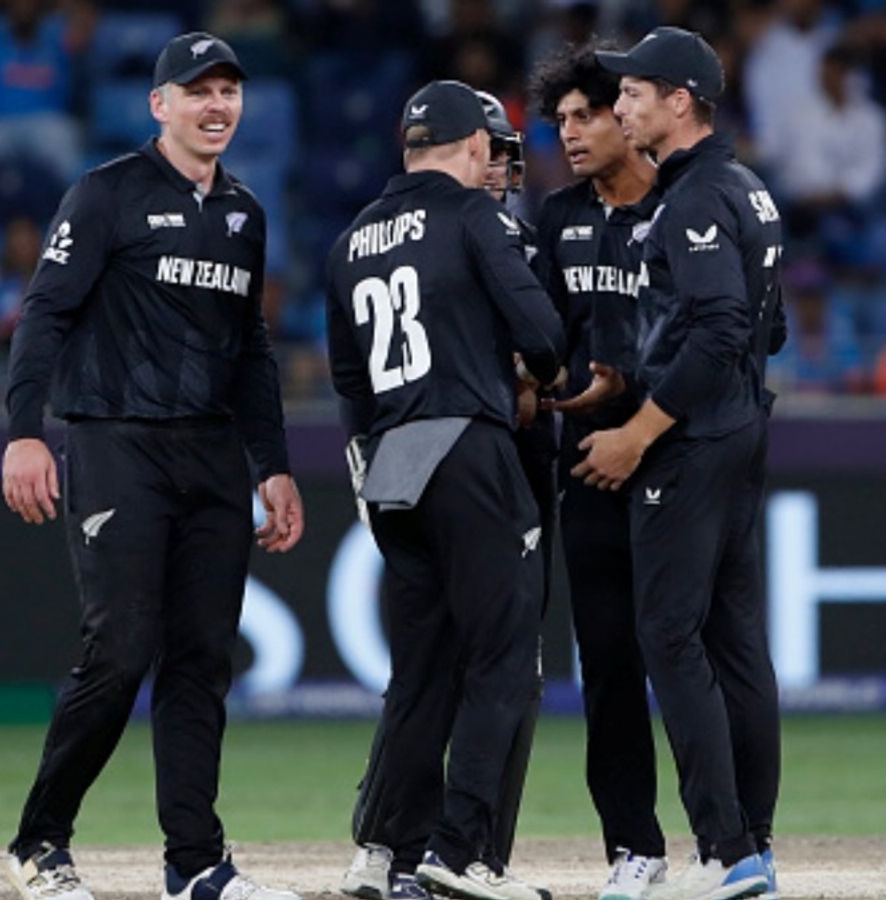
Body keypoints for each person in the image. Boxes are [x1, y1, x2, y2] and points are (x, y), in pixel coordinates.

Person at [0, 32, 304, 900]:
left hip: (211, 456)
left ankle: (196, 862)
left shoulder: (245, 212)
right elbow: (44, 314)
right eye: (198, 91)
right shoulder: (104, 194)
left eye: (229, 92)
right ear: (158, 105)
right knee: (121, 649)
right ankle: (40, 844)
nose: (217, 106)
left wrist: (272, 467)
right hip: (115, 444)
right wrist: (25, 431)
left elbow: (250, 349)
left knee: (204, 658)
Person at [327, 79, 564, 900]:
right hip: (468, 444)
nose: (499, 165)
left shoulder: (351, 238)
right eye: (493, 150)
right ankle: (461, 853)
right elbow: (543, 334)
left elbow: (349, 379)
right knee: (503, 656)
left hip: (392, 457)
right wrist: (534, 369)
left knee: (421, 667)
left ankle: (380, 850)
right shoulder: (473, 217)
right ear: (470, 146)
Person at [585, 27, 786, 900]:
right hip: (740, 431)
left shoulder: (696, 197)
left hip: (692, 443)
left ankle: (726, 849)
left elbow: (722, 329)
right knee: (736, 645)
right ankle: (756, 848)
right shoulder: (748, 189)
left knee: (668, 634)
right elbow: (765, 329)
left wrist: (640, 429)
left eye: (634, 92)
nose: (619, 105)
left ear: (682, 101)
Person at [526, 40, 669, 900]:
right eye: (561, 122)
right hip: (586, 467)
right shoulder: (556, 217)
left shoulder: (685, 206)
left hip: (675, 460)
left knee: (694, 656)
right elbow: (541, 338)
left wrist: (638, 409)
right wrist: (548, 390)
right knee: (609, 660)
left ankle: (735, 838)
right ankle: (634, 847)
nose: (570, 135)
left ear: (630, 112)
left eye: (585, 116)